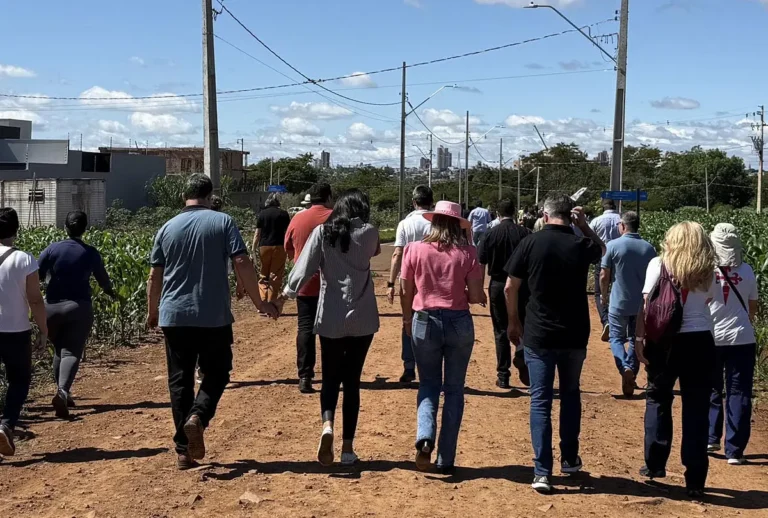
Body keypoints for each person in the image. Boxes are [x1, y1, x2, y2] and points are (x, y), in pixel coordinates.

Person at [147, 174, 277, 470]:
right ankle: (198, 417)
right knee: (217, 372)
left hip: (174, 315)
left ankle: (183, 450)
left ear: (185, 197)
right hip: (212, 315)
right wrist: (260, 303)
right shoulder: (222, 222)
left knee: (179, 380)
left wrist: (152, 311)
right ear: (209, 195)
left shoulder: (166, 228)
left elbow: (155, 275)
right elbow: (242, 262)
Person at [505, 193, 605, 494]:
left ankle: (542, 471)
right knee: (571, 395)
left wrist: (513, 321)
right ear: (569, 216)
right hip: (575, 334)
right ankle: (570, 458)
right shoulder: (581, 244)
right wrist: (584, 225)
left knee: (541, 400)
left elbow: (511, 286)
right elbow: (602, 249)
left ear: (545, 216)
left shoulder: (531, 242)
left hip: (539, 334)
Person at [276, 189, 381, 467]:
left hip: (331, 316)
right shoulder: (370, 232)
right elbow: (373, 250)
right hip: (363, 317)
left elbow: (303, 268)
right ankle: (348, 450)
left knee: (331, 377)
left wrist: (284, 296)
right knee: (353, 381)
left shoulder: (323, 234)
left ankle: (327, 425)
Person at [400, 201, 486, 473]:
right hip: (458, 321)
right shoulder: (468, 253)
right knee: (454, 389)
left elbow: (406, 289)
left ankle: (425, 436)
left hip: (424, 319)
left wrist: (406, 318)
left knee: (428, 384)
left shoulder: (414, 249)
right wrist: (478, 295)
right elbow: (474, 296)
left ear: (434, 222)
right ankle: (446, 457)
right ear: (458, 225)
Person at [635, 222, 717, 498]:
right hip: (700, 340)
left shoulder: (658, 264)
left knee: (658, 397)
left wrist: (639, 340)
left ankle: (655, 464)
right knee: (697, 407)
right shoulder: (708, 271)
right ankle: (695, 478)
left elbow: (647, 303)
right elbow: (710, 302)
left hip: (664, 341)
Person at [38, 211, 117, 419]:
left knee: (58, 350)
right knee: (71, 351)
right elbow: (104, 281)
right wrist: (112, 294)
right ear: (85, 229)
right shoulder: (90, 252)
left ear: (65, 227)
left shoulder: (52, 248)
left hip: (51, 307)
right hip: (78, 307)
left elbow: (35, 274)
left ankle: (63, 392)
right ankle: (63, 392)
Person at [707, 224, 758, 465]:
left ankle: (710, 436)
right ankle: (734, 450)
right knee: (739, 392)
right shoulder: (747, 271)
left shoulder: (706, 269)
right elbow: (753, 308)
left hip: (711, 337)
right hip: (742, 338)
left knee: (711, 387)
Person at [0, 208, 48, 456]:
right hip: (15, 330)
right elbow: (36, 300)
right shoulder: (24, 259)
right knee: (19, 380)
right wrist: (43, 330)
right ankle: (6, 424)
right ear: (16, 230)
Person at [599, 211, 656, 398]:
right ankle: (631, 369)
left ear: (623, 226)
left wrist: (604, 296)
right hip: (641, 304)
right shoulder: (649, 248)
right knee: (635, 338)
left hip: (618, 302)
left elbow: (604, 275)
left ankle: (624, 367)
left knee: (616, 338)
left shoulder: (613, 245)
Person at [284, 183, 334, 394]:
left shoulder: (297, 218)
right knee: (330, 331)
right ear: (329, 197)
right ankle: (331, 375)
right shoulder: (335, 217)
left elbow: (287, 247)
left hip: (304, 284)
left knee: (305, 328)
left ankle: (305, 376)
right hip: (331, 284)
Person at [477, 199, 531, 389]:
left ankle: (503, 374)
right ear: (514, 212)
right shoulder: (525, 233)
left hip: (498, 284)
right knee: (523, 322)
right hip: (522, 284)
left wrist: (478, 290)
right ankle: (522, 351)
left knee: (500, 329)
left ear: (497, 214)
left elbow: (481, 262)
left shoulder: (490, 234)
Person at [387, 185, 433, 383]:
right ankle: (428, 366)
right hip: (432, 281)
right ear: (431, 202)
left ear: (414, 202)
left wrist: (390, 282)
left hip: (408, 280)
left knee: (408, 321)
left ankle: (409, 366)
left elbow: (397, 254)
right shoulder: (437, 223)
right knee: (430, 321)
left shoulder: (405, 224)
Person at [589, 199, 622, 341]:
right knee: (617, 289)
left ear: (603, 208)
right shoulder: (621, 220)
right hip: (619, 259)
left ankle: (605, 320)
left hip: (602, 258)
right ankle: (618, 322)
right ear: (614, 207)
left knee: (599, 292)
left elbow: (588, 237)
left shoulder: (596, 221)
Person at [253, 193, 290, 304]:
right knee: (276, 274)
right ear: (277, 203)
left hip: (264, 247)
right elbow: (288, 232)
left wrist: (254, 248)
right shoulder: (283, 214)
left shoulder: (262, 214)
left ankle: (263, 301)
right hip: (279, 246)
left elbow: (257, 234)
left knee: (263, 274)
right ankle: (272, 301)